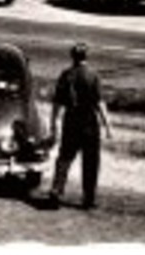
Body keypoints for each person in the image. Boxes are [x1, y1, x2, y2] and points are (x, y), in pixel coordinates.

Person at [43, 43, 113, 210]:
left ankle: (56, 191)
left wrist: (53, 125)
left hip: (71, 120)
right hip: (89, 122)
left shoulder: (66, 75)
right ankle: (88, 198)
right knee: (91, 161)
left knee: (65, 158)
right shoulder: (93, 75)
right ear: (86, 56)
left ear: (72, 56)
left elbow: (57, 104)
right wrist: (108, 126)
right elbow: (99, 103)